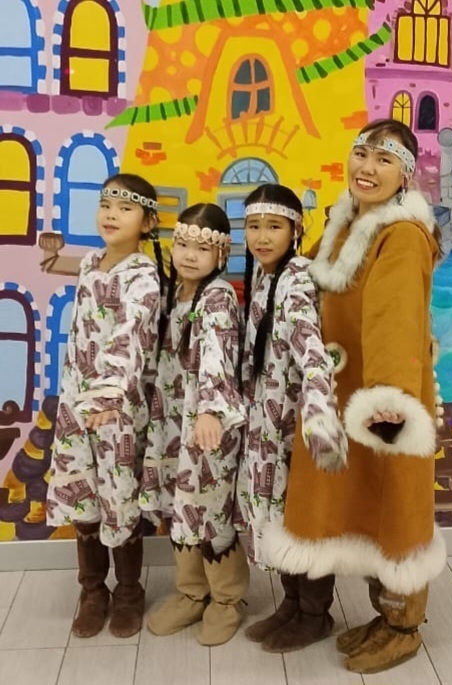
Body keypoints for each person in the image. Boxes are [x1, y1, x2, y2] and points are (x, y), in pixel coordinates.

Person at [259, 119, 447, 672]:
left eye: (384, 160)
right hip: (341, 388)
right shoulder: (345, 222)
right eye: (362, 154)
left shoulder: (401, 234)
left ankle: (403, 625)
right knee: (360, 503)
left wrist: (388, 399)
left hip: (381, 397)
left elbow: (396, 316)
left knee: (393, 506)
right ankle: (377, 616)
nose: (367, 168)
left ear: (405, 175)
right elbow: (308, 287)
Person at [46, 173, 164, 639]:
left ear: (147, 222)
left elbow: (130, 337)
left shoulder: (144, 277)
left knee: (119, 495)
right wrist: (51, 255)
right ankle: (92, 591)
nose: (111, 214)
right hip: (76, 404)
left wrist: (109, 393)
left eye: (125, 207)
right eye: (106, 204)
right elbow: (76, 280)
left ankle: (129, 592)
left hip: (117, 409)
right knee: (82, 494)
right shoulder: (91, 262)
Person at [236, 183, 347, 653]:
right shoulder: (265, 278)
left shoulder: (297, 279)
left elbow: (312, 352)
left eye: (274, 226)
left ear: (296, 230)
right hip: (266, 423)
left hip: (292, 428)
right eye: (253, 226)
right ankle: (292, 604)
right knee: (277, 519)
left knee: (304, 522)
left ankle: (315, 614)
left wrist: (320, 415)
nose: (262, 237)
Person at [141, 203, 249, 646]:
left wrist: (210, 410)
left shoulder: (217, 297)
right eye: (183, 244)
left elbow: (217, 355)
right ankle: (191, 592)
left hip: (208, 424)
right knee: (179, 505)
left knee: (209, 509)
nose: (189, 255)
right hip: (172, 423)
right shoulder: (173, 293)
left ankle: (227, 599)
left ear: (221, 254)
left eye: (202, 248)